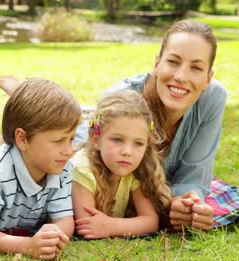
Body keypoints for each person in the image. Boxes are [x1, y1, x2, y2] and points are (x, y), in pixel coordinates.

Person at [0, 19, 227, 231]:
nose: (182, 76)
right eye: (173, 62)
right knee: (29, 148)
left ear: (209, 77)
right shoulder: (122, 98)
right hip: (72, 139)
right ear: (156, 64)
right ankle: (20, 98)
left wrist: (189, 202)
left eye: (196, 67)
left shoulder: (213, 98)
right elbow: (73, 153)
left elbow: (195, 174)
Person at [0, 78, 81, 260]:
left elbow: (64, 220)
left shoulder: (61, 166)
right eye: (59, 141)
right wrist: (28, 246)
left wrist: (54, 235)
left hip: (15, 156)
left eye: (71, 139)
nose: (69, 150)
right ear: (23, 139)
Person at [71, 90, 171, 239]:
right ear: (96, 139)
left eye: (138, 143)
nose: (127, 152)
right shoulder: (82, 168)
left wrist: (110, 226)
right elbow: (87, 226)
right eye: (118, 140)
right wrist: (125, 226)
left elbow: (151, 222)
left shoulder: (134, 168)